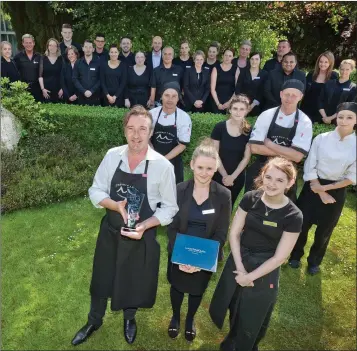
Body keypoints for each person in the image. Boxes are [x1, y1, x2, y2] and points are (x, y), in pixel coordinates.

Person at [71, 105, 178, 346]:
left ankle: (129, 319)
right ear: (124, 130)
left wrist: (146, 225)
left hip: (140, 236)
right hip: (110, 232)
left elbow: (170, 208)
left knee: (132, 279)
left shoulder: (162, 166)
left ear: (151, 132)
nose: (136, 135)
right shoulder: (113, 156)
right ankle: (94, 320)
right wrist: (114, 205)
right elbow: (95, 189)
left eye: (142, 129)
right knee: (101, 278)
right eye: (131, 128)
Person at [209, 157, 303, 351]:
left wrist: (250, 277)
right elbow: (234, 233)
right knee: (233, 303)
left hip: (265, 267)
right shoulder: (250, 197)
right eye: (268, 177)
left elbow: (280, 257)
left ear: (290, 183)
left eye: (280, 180)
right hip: (239, 258)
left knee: (254, 312)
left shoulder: (293, 216)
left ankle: (248, 345)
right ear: (262, 176)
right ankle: (232, 338)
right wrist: (241, 268)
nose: (272, 184)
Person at [166, 138, 231, 342]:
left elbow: (221, 232)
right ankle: (176, 317)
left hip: (205, 254)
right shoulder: (179, 190)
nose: (204, 172)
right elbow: (172, 226)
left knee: (196, 291)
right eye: (200, 167)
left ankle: (190, 320)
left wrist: (199, 261)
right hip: (179, 250)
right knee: (177, 287)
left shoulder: (223, 195)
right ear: (192, 164)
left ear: (216, 169)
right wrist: (182, 257)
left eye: (210, 168)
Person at [289, 102, 356, 275]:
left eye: (349, 117)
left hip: (336, 190)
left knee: (325, 230)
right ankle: (295, 256)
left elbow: (352, 176)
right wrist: (318, 189)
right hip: (313, 186)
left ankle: (314, 262)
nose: (344, 121)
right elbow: (310, 165)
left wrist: (325, 190)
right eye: (341, 117)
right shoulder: (321, 138)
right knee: (302, 224)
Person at [245, 79, 313, 202]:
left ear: (300, 97)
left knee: (282, 211)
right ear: (281, 94)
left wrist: (269, 144)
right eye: (287, 94)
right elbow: (254, 148)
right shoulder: (266, 115)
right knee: (252, 204)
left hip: (287, 171)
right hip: (262, 167)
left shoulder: (305, 121)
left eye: (294, 95)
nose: (289, 98)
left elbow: (297, 156)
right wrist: (288, 152)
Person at [211, 95, 251, 209]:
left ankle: (224, 226)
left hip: (237, 176)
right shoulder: (219, 127)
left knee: (229, 206)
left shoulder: (249, 131)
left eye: (242, 109)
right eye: (235, 108)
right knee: (213, 205)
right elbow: (215, 153)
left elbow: (246, 158)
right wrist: (224, 175)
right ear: (230, 109)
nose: (238, 112)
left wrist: (232, 177)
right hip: (218, 173)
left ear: (246, 111)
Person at [150, 81, 192, 184]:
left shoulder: (184, 118)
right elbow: (146, 139)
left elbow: (182, 145)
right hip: (152, 159)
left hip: (173, 162)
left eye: (174, 96)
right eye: (167, 95)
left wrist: (163, 160)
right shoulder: (152, 114)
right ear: (161, 97)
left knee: (173, 192)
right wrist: (154, 157)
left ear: (178, 98)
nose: (170, 99)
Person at [300, 51, 339, 123]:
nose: (322, 64)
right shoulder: (311, 74)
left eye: (326, 62)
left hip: (322, 112)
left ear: (330, 63)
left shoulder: (334, 76)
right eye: (321, 61)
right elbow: (304, 90)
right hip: (306, 108)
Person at [318, 59, 357, 125]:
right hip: (322, 119)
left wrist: (330, 118)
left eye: (347, 69)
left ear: (351, 70)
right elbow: (320, 100)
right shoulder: (329, 83)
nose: (344, 71)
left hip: (339, 122)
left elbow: (348, 107)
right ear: (339, 69)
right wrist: (325, 117)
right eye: (342, 69)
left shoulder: (353, 87)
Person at [235, 52, 268, 116]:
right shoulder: (243, 72)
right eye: (252, 59)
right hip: (242, 104)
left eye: (256, 59)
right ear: (249, 60)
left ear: (260, 60)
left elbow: (262, 91)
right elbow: (238, 88)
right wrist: (243, 103)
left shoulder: (264, 74)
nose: (254, 61)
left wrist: (252, 105)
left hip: (257, 106)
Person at [14, 34, 42, 101]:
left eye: (30, 42)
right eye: (26, 43)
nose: (28, 44)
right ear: (23, 43)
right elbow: (15, 73)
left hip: (37, 88)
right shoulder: (18, 57)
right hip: (23, 88)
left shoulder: (39, 56)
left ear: (34, 43)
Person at [72, 39, 101, 106]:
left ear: (93, 49)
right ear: (83, 48)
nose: (88, 49)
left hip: (95, 97)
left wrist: (92, 91)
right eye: (86, 47)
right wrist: (84, 91)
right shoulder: (78, 62)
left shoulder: (99, 63)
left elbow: (101, 79)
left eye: (90, 47)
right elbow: (74, 79)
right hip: (81, 97)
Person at [211, 48, 239, 114]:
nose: (227, 58)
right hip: (216, 101)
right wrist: (218, 104)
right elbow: (212, 89)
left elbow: (237, 88)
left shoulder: (236, 69)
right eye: (226, 55)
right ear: (223, 56)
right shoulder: (216, 68)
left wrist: (229, 102)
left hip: (231, 101)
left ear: (233, 57)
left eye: (230, 56)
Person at [38, 38, 63, 103]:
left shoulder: (61, 59)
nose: (52, 47)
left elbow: (63, 75)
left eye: (55, 46)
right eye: (50, 45)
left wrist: (63, 89)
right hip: (46, 91)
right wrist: (43, 89)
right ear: (47, 47)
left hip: (59, 91)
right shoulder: (43, 58)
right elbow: (40, 76)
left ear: (57, 47)